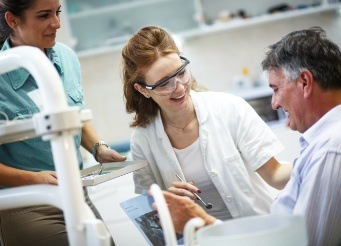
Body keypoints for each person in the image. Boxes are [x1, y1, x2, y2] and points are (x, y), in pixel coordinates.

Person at [153, 26, 341, 246]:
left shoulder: (329, 150)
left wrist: (203, 223)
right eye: (163, 83)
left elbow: (302, 242)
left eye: (275, 89)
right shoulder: (319, 146)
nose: (275, 103)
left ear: (305, 83)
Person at [121, 25, 291, 222]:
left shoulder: (229, 108)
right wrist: (168, 202)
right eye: (164, 83)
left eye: (181, 72)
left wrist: (319, 160)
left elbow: (275, 176)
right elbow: (150, 211)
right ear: (143, 90)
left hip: (257, 229)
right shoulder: (142, 140)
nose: (179, 87)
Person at [0, 0, 126, 245]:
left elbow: (73, 116)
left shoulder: (66, 57)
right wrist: (37, 179)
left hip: (77, 194)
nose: (56, 23)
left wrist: (98, 148)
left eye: (57, 12)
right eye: (44, 15)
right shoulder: (2, 74)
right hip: (30, 206)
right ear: (13, 20)